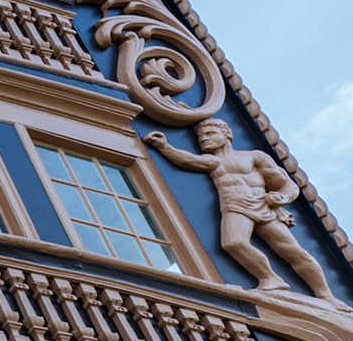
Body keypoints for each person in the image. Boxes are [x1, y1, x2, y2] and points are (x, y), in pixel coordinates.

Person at [144, 120, 336, 300]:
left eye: (210, 133)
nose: (203, 138)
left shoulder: (253, 157)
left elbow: (287, 184)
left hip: (263, 205)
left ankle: (326, 296)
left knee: (293, 251)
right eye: (201, 136)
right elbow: (187, 160)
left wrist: (281, 197)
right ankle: (271, 279)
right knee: (233, 242)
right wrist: (164, 146)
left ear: (226, 134)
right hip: (234, 206)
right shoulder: (213, 162)